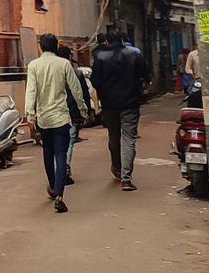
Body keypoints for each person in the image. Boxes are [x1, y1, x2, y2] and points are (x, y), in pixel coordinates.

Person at [26, 33, 91, 213]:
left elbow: (31, 91)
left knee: (47, 152)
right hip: (61, 117)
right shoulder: (64, 64)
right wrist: (83, 110)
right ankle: (60, 195)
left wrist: (30, 115)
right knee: (61, 154)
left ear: (41, 47)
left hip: (44, 118)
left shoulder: (33, 66)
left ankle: (53, 187)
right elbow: (76, 90)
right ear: (55, 47)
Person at [91, 32, 148, 191]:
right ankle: (126, 178)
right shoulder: (134, 55)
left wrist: (104, 93)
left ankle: (117, 167)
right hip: (130, 103)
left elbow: (95, 81)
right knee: (129, 139)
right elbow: (144, 76)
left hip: (109, 105)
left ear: (107, 41)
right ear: (122, 40)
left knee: (113, 136)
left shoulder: (100, 57)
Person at [57, 44, 92, 185]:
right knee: (70, 142)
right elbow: (83, 94)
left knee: (59, 144)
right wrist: (86, 111)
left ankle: (61, 170)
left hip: (55, 113)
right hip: (72, 112)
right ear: (69, 57)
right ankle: (64, 170)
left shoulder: (53, 72)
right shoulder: (76, 73)